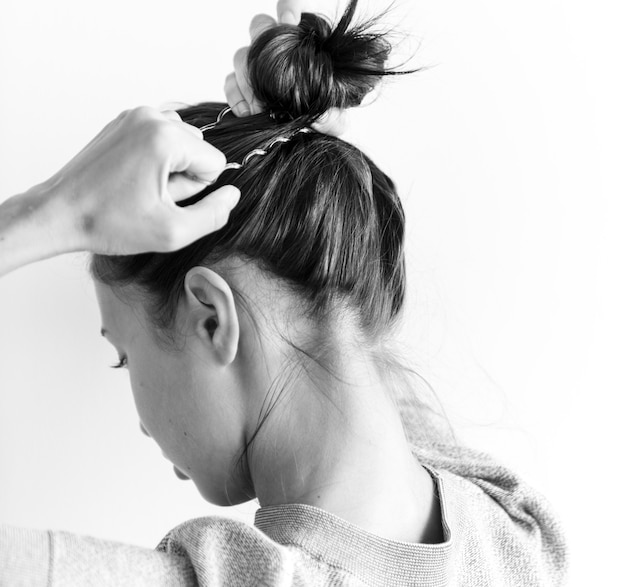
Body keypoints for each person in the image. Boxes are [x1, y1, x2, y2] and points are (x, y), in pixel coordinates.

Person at [0, 1, 569, 585]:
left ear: (211, 320)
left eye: (123, 355)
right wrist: (312, 162)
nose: (141, 425)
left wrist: (49, 212)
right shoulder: (515, 532)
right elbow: (343, 350)